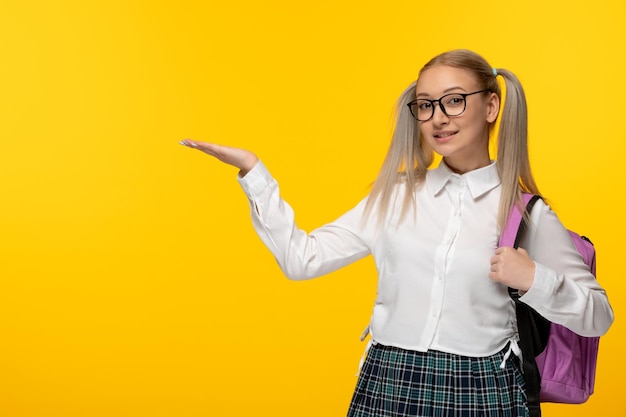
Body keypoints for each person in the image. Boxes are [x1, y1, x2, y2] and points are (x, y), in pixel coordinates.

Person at [179, 49, 614, 417]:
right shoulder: (395, 196)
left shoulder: (526, 214)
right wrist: (254, 173)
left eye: (455, 101)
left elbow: (598, 316)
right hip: (389, 380)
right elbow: (302, 260)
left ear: (492, 107)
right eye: (426, 105)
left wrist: (535, 279)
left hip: (483, 387)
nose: (438, 118)